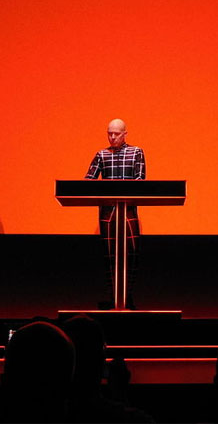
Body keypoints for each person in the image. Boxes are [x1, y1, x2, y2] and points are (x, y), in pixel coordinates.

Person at [85, 118, 145, 310]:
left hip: (128, 211)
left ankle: (128, 296)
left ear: (125, 134)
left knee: (132, 252)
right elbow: (88, 181)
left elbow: (140, 180)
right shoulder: (101, 155)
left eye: (116, 133)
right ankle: (114, 297)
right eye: (109, 133)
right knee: (109, 255)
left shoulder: (136, 152)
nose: (112, 137)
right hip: (108, 212)